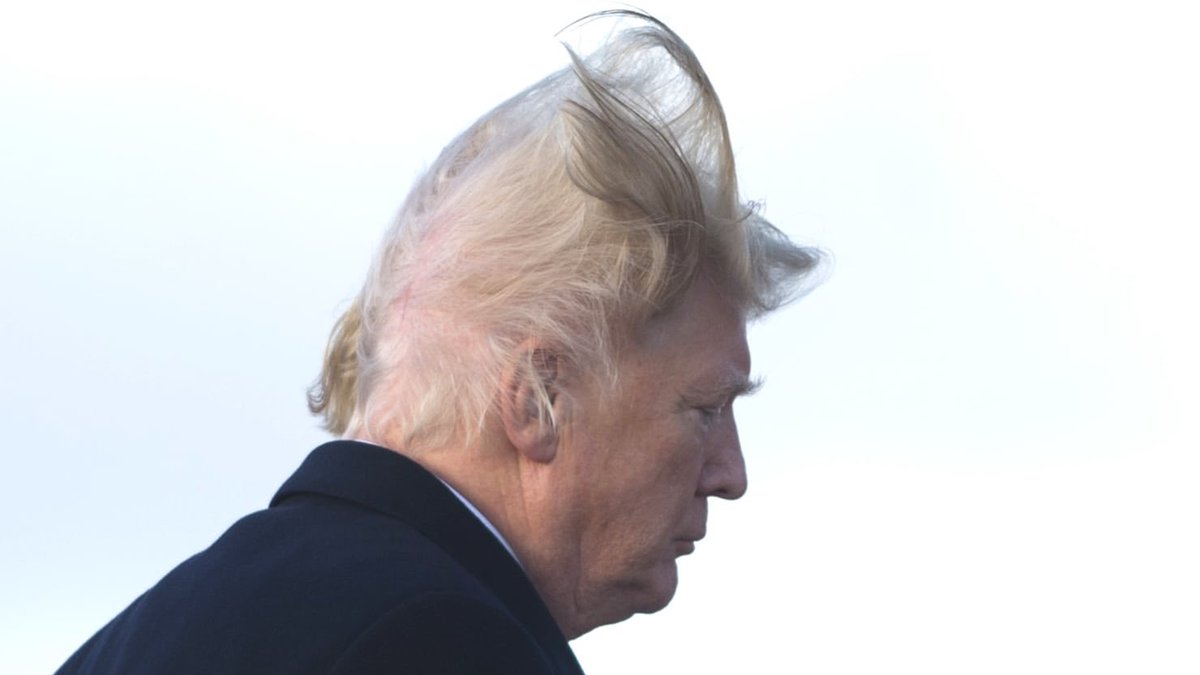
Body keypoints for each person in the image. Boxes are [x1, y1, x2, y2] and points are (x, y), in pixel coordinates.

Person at [55, 10, 822, 675]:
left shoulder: (149, 632)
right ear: (539, 398)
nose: (731, 473)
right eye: (704, 407)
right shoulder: (440, 637)